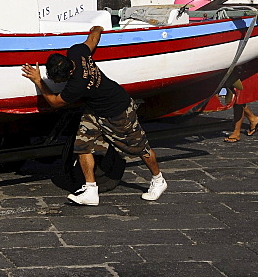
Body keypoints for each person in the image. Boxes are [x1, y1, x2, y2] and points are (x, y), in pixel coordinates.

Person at [22, 26, 167, 205]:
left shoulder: (77, 86)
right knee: (82, 145)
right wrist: (97, 28)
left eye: (57, 80)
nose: (55, 83)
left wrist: (38, 81)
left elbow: (54, 102)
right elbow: (93, 40)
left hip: (118, 110)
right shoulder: (77, 52)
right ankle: (91, 191)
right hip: (95, 110)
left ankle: (158, 180)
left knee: (139, 147)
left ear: (68, 73)